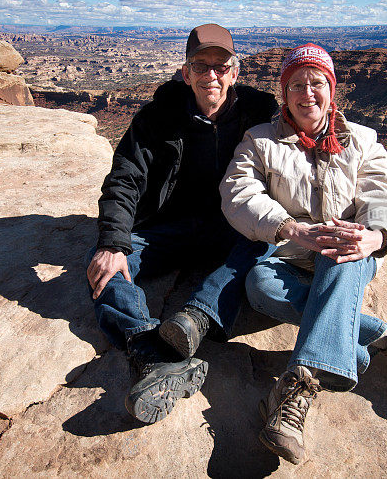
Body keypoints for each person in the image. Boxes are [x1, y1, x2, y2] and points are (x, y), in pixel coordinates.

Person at [220, 43, 387, 464]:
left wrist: (377, 236)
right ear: (284, 92)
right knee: (259, 286)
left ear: (332, 89)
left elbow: (385, 196)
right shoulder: (260, 141)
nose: (307, 92)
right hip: (291, 255)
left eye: (316, 83)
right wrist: (289, 227)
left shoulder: (362, 140)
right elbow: (237, 193)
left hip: (349, 254)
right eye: (297, 84)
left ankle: (298, 383)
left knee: (343, 247)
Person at [86, 24, 278, 424]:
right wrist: (113, 241)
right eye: (200, 66)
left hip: (228, 227)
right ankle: (150, 351)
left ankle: (194, 319)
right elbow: (124, 178)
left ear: (235, 72)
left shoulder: (257, 114)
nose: (212, 75)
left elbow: (304, 140)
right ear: (186, 72)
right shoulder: (157, 117)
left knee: (264, 243)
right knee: (106, 264)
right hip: (166, 228)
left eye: (221, 66)